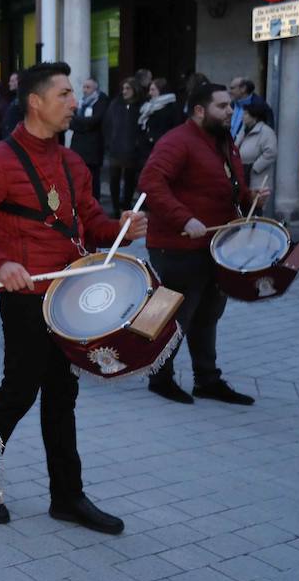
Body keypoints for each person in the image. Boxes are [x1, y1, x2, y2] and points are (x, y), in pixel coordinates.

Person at [0, 61, 146, 536]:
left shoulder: (73, 162)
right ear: (36, 102)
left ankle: (67, 497)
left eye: (73, 95)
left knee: (62, 393)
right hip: (27, 296)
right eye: (65, 95)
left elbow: (91, 224)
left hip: (70, 293)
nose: (75, 103)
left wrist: (123, 231)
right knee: (19, 390)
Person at [139, 82, 265, 406]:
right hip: (176, 246)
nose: (230, 111)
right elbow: (151, 183)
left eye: (231, 106)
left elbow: (224, 185)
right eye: (222, 106)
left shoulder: (223, 141)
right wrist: (184, 218)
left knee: (208, 313)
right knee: (173, 314)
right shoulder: (177, 141)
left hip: (214, 245)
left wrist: (251, 198)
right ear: (199, 110)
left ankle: (207, 379)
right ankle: (159, 377)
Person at [103, 77, 143, 216]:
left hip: (132, 151)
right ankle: (115, 208)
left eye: (128, 88)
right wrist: (110, 143)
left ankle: (126, 206)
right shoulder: (115, 104)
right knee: (114, 179)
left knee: (129, 181)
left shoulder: (140, 106)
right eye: (123, 88)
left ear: (134, 90)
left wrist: (137, 143)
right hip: (116, 149)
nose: (125, 91)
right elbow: (108, 124)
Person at [70, 78, 108, 200]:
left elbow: (94, 122)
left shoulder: (100, 102)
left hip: (92, 149)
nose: (85, 90)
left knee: (92, 179)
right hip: (78, 147)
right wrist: (83, 124)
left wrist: (79, 123)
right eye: (84, 87)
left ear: (95, 89)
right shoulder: (80, 103)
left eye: (88, 87)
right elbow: (71, 123)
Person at [234, 100, 277, 189]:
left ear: (254, 117)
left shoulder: (266, 131)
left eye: (246, 114)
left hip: (257, 178)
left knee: (256, 201)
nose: (243, 117)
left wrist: (255, 167)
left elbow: (271, 152)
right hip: (241, 173)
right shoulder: (243, 130)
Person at [138, 76, 181, 160]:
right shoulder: (149, 106)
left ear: (162, 90)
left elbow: (175, 127)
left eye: (153, 90)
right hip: (148, 149)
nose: (150, 93)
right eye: (150, 90)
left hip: (165, 148)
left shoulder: (172, 107)